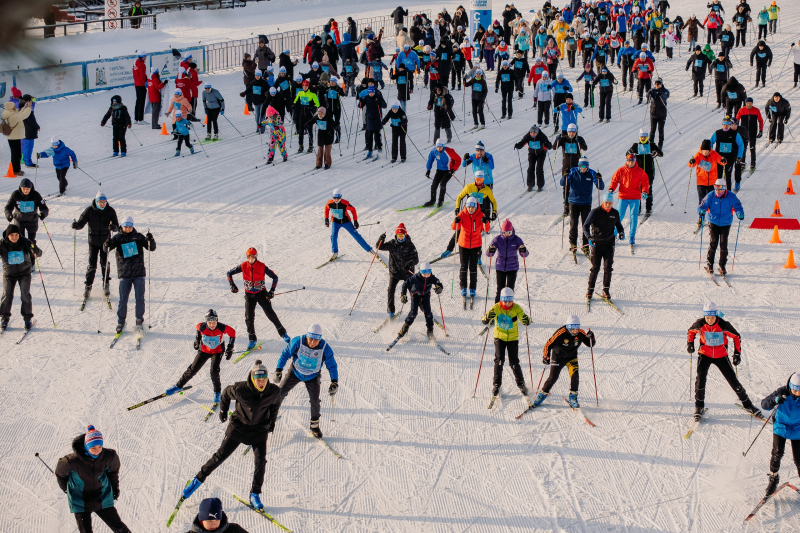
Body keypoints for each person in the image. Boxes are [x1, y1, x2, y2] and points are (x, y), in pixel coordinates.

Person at [182, 360, 281, 512]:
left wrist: (272, 421)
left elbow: (275, 405)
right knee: (220, 456)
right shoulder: (240, 389)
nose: (261, 383)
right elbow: (226, 394)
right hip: (239, 427)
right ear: (252, 378)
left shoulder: (274, 391)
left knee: (260, 461)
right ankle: (198, 479)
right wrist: (223, 410)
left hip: (259, 429)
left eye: (263, 379)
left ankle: (255, 493)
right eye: (258, 379)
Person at [687, 301, 761, 421]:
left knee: (733, 381)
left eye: (712, 318)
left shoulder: (723, 325)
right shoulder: (700, 324)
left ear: (716, 316)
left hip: (721, 356)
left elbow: (736, 336)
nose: (709, 320)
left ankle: (748, 405)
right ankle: (699, 406)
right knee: (700, 380)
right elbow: (690, 331)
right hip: (704, 354)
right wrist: (690, 343)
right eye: (707, 318)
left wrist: (737, 353)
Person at [55, 425, 132, 533]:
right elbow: (60, 475)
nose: (97, 451)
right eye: (93, 448)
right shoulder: (70, 461)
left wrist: (115, 488)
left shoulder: (109, 456)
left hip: (102, 497)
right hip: (80, 500)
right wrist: (66, 489)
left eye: (99, 447)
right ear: (86, 446)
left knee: (120, 528)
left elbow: (113, 472)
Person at [276, 324, 338, 438]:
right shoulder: (298, 341)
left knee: (315, 401)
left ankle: (314, 426)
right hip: (295, 372)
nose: (313, 342)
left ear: (320, 339)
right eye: (311, 339)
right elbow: (285, 353)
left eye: (316, 340)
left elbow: (332, 365)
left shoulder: (324, 347)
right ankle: (270, 416)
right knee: (279, 393)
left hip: (312, 376)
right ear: (307, 336)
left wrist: (334, 381)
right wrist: (278, 370)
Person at [166, 309, 235, 404]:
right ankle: (178, 386)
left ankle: (217, 392)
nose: (212, 325)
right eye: (210, 322)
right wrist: (197, 340)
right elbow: (198, 329)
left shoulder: (222, 327)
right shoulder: (201, 326)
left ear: (217, 320)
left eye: (214, 322)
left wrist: (230, 348)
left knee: (214, 371)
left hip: (217, 352)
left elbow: (232, 333)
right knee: (192, 369)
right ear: (206, 321)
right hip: (204, 351)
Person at [226, 247, 289, 350]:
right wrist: (232, 284)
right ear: (247, 257)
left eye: (253, 256)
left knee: (270, 314)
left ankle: (283, 333)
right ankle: (252, 339)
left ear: (256, 256)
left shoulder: (262, 266)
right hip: (249, 296)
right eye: (249, 257)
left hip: (261, 294)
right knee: (249, 318)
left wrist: (272, 291)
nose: (251, 259)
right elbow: (229, 273)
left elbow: (275, 277)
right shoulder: (243, 266)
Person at [103, 216, 155, 335]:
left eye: (130, 227)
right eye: (125, 227)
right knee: (123, 300)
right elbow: (106, 249)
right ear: (122, 226)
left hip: (138, 273)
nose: (127, 229)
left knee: (139, 299)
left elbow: (151, 248)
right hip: (124, 274)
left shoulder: (138, 237)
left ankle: (139, 322)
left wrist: (150, 240)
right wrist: (106, 244)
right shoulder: (117, 238)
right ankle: (121, 322)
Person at [533, 315, 596, 408]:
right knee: (553, 377)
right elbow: (548, 344)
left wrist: (591, 337)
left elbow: (590, 344)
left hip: (572, 357)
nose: (575, 331)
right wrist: (545, 356)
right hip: (558, 357)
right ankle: (542, 395)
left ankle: (573, 397)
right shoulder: (560, 333)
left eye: (577, 329)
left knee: (575, 376)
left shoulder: (581, 333)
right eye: (573, 329)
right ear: (568, 328)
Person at [481, 287, 532, 399]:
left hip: (513, 338)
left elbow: (525, 320)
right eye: (505, 301)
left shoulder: (516, 308)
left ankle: (521, 384)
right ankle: (496, 385)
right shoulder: (496, 307)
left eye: (509, 301)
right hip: (499, 337)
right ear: (501, 300)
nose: (507, 303)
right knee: (499, 361)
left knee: (514, 362)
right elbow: (484, 321)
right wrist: (489, 316)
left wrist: (526, 320)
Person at [72, 191, 118, 301]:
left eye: (104, 202)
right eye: (100, 202)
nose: (102, 204)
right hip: (93, 242)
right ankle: (88, 286)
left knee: (104, 263)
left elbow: (117, 226)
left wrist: (113, 227)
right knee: (92, 265)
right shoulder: (89, 210)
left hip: (105, 242)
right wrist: (76, 225)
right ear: (96, 202)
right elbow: (81, 222)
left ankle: (106, 285)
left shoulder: (110, 211)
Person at [760, 373, 800, 497]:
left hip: (798, 428)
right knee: (777, 452)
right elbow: (764, 404)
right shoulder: (782, 391)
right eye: (794, 390)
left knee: (799, 459)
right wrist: (775, 400)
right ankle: (773, 479)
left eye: (799, 391)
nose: (796, 394)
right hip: (781, 426)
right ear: (790, 387)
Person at [584, 191, 624, 301]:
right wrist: (589, 237)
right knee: (595, 268)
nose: (608, 205)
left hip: (609, 245)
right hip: (596, 244)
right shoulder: (595, 212)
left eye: (610, 203)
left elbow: (619, 226)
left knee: (608, 268)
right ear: (603, 202)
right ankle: (590, 290)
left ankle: (606, 290)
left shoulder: (615, 213)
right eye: (606, 203)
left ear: (612, 203)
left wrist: (621, 232)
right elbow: (585, 226)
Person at [0, 224, 41, 330]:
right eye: (12, 235)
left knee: (25, 295)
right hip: (9, 274)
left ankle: (27, 319)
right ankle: (4, 318)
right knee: (7, 295)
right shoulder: (2, 244)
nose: (14, 237)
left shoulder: (25, 242)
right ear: (7, 235)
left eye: (16, 235)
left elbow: (39, 252)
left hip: (24, 273)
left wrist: (35, 251)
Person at [698, 179, 744, 275]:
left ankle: (722, 265)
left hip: (725, 223)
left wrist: (739, 213)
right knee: (713, 242)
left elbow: (738, 206)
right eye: (715, 187)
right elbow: (702, 206)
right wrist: (701, 211)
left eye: (719, 188)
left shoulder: (731, 196)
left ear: (724, 188)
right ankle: (710, 264)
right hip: (713, 222)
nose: (717, 190)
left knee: (723, 244)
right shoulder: (710, 196)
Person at [562, 157, 604, 254]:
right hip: (573, 202)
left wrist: (600, 179)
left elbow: (600, 187)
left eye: (586, 166)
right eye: (582, 166)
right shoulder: (573, 171)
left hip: (586, 203)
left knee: (586, 224)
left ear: (588, 166)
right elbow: (563, 183)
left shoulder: (592, 173)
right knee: (573, 224)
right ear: (579, 165)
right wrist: (565, 176)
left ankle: (585, 245)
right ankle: (573, 244)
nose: (584, 168)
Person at [610, 152, 650, 248]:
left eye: (632, 161)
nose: (631, 163)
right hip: (623, 196)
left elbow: (645, 182)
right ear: (627, 161)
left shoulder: (640, 171)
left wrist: (645, 191)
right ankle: (613, 234)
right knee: (619, 216)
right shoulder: (621, 170)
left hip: (635, 197)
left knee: (634, 216)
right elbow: (614, 180)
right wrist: (611, 189)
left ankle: (632, 236)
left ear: (635, 161)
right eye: (629, 161)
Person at [377, 223, 418, 317]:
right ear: (396, 235)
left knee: (413, 291)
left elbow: (416, 259)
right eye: (399, 236)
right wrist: (381, 239)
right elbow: (379, 247)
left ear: (405, 235)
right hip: (395, 272)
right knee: (391, 289)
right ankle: (390, 310)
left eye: (402, 235)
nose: (400, 238)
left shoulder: (410, 245)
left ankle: (421, 307)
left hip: (407, 273)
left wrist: (409, 264)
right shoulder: (392, 244)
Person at [452, 197, 485, 307]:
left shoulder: (481, 215)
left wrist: (485, 222)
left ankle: (472, 288)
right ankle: (463, 287)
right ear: (466, 206)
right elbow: (454, 227)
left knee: (473, 267)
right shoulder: (462, 214)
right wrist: (456, 221)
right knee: (463, 267)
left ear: (475, 207)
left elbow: (486, 229)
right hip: (463, 245)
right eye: (469, 207)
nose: (471, 209)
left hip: (476, 245)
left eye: (473, 207)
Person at [324, 189, 376, 260]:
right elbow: (326, 209)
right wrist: (326, 219)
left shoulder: (345, 203)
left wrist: (355, 221)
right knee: (333, 236)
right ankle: (334, 252)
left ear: (341, 197)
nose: (336, 199)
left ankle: (370, 250)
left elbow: (353, 209)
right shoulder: (330, 203)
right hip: (335, 222)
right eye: (334, 198)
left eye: (338, 198)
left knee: (356, 235)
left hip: (346, 221)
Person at [397, 261, 444, 338]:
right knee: (413, 313)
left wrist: (439, 288)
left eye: (428, 272)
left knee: (428, 313)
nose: (426, 275)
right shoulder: (416, 277)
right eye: (424, 272)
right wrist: (403, 294)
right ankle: (405, 327)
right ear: (420, 271)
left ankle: (430, 330)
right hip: (415, 295)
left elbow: (438, 283)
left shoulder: (431, 277)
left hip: (426, 296)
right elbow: (405, 284)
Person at [486, 219, 528, 303]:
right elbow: (488, 254)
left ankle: (509, 309)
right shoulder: (497, 239)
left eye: (509, 232)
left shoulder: (517, 240)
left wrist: (523, 250)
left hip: (512, 268)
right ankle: (497, 308)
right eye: (505, 232)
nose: (507, 234)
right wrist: (490, 250)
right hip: (500, 267)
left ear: (512, 230)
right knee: (500, 290)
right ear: (502, 231)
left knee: (509, 291)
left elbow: (525, 254)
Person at [688, 139, 727, 228]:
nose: (705, 152)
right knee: (702, 200)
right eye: (703, 151)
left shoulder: (714, 154)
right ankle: (701, 217)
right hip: (701, 182)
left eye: (706, 151)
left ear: (709, 149)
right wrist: (691, 162)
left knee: (712, 200)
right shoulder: (698, 155)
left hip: (712, 182)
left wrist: (723, 160)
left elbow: (720, 160)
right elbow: (691, 165)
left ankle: (712, 218)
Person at [625, 129, 662, 217]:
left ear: (647, 137)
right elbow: (627, 153)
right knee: (638, 189)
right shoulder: (636, 145)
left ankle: (648, 208)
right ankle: (638, 208)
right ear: (639, 137)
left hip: (649, 171)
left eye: (644, 137)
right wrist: (630, 152)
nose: (643, 138)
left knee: (648, 188)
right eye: (641, 137)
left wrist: (656, 153)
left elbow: (661, 153)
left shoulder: (651, 145)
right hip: (638, 172)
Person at [4, 177, 47, 245]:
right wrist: (8, 214)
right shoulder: (15, 194)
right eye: (23, 188)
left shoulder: (36, 195)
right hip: (19, 220)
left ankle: (32, 251)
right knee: (20, 241)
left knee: (31, 241)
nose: (25, 190)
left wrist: (43, 214)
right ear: (20, 187)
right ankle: (23, 252)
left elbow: (44, 208)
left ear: (31, 188)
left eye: (27, 189)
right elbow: (8, 207)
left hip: (32, 220)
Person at [514, 125, 552, 192]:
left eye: (534, 133)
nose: (533, 134)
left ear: (537, 133)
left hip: (541, 154)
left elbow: (549, 145)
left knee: (539, 169)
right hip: (532, 154)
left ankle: (540, 185)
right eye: (531, 133)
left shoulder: (542, 136)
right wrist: (518, 145)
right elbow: (523, 142)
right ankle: (530, 185)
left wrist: (547, 145)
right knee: (530, 168)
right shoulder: (528, 136)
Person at [424, 140, 462, 207]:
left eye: (440, 147)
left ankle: (441, 201)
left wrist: (453, 169)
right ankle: (432, 201)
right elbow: (430, 160)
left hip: (448, 171)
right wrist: (428, 170)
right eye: (437, 147)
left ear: (443, 146)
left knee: (442, 183)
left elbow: (459, 159)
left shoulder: (449, 151)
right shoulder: (434, 151)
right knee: (434, 185)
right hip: (439, 170)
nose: (439, 148)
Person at [709, 118, 745, 190]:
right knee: (718, 176)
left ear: (730, 125)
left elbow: (741, 145)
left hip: (730, 158)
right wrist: (711, 154)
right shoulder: (717, 133)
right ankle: (718, 191)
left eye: (727, 124)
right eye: (724, 124)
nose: (725, 126)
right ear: (722, 125)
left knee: (728, 175)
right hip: (719, 158)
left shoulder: (735, 134)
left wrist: (739, 156)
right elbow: (710, 142)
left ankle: (728, 192)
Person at [2, 99, 32, 176]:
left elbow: (20, 114)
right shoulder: (12, 116)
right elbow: (23, 116)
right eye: (14, 106)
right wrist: (28, 108)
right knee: (16, 155)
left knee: (17, 154)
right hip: (13, 138)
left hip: (14, 137)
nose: (15, 106)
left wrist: (24, 107)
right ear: (11, 107)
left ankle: (17, 169)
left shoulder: (11, 113)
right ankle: (15, 170)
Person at [736, 97, 764, 173]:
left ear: (752, 103)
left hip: (752, 132)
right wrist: (736, 130)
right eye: (747, 103)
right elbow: (736, 120)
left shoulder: (756, 110)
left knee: (752, 148)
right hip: (743, 132)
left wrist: (761, 130)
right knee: (743, 148)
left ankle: (753, 164)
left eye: (750, 103)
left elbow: (760, 120)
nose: (749, 105)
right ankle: (742, 164)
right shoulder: (741, 110)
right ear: (745, 103)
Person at [359, 86, 387, 158]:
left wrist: (379, 102)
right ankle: (370, 150)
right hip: (370, 118)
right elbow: (360, 106)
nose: (371, 94)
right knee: (370, 136)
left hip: (377, 118)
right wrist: (360, 101)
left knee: (377, 135)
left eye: (372, 92)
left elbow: (385, 105)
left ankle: (379, 149)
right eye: (370, 92)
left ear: (374, 92)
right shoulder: (366, 98)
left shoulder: (378, 97)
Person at [646, 78, 670, 151]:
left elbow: (665, 97)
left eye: (658, 84)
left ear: (661, 84)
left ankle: (660, 145)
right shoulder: (653, 90)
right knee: (652, 129)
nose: (656, 85)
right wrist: (649, 93)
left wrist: (660, 94)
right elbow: (647, 96)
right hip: (653, 113)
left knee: (660, 129)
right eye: (655, 84)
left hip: (661, 114)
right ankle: (651, 144)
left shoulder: (665, 91)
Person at [18, 94, 39, 168]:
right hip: (29, 131)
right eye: (31, 101)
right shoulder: (27, 109)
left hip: (25, 130)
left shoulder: (22, 108)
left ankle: (25, 159)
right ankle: (28, 162)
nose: (32, 102)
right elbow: (31, 120)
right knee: (29, 147)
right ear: (27, 101)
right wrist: (37, 126)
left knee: (26, 146)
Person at [132, 51, 148, 124]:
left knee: (138, 101)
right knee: (142, 102)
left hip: (136, 84)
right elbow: (142, 75)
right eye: (145, 57)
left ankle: (136, 119)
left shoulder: (135, 63)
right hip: (141, 84)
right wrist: (145, 83)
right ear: (143, 57)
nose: (146, 58)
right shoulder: (142, 64)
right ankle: (141, 119)